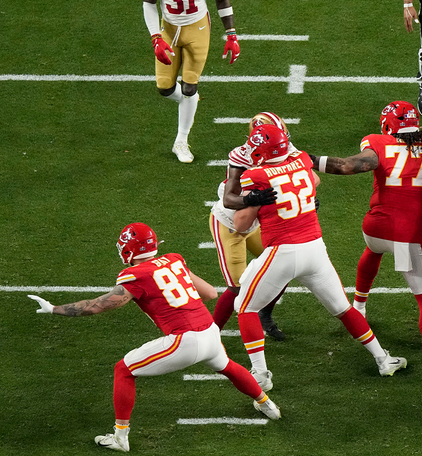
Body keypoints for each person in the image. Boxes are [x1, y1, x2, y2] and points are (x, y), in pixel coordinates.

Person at [27, 223, 280, 452]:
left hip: (184, 340)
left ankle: (120, 437)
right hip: (210, 332)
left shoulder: (133, 275)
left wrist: (54, 309)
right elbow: (210, 293)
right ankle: (267, 404)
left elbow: (99, 305)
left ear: (129, 250)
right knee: (227, 366)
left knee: (123, 370)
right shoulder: (174, 260)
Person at [233, 124, 407, 389]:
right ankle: (383, 359)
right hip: (315, 249)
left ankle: (260, 373)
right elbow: (314, 181)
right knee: (343, 308)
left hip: (282, 251)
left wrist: (251, 202)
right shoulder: (302, 159)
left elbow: (240, 226)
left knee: (245, 308)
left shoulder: (256, 174)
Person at [308, 101, 422, 384]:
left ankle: (360, 305)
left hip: (376, 229)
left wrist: (310, 158)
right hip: (407, 237)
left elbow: (347, 166)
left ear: (389, 125)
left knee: (374, 251)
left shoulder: (378, 143)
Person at [209, 112, 287, 340]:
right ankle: (212, 335)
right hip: (231, 223)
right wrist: (252, 199)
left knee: (283, 268)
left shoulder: (281, 148)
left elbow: (311, 177)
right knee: (236, 287)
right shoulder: (242, 157)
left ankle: (266, 314)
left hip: (256, 223)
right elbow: (229, 199)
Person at [143, 0, 240, 163]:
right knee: (164, 87)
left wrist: (231, 34)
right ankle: (191, 99)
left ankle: (181, 141)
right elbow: (148, 3)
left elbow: (222, 1)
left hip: (198, 29)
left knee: (189, 87)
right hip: (168, 29)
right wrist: (156, 37)